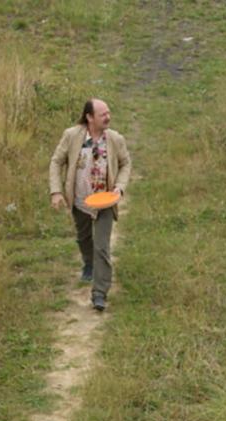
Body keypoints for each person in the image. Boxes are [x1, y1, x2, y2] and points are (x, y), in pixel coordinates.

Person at [49, 98, 131, 312]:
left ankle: (99, 293)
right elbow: (56, 161)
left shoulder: (115, 139)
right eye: (103, 114)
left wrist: (119, 188)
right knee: (84, 237)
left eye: (109, 113)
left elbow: (125, 163)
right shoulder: (71, 136)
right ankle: (88, 262)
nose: (108, 117)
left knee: (101, 246)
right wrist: (56, 191)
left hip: (105, 202)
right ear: (89, 117)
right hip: (79, 200)